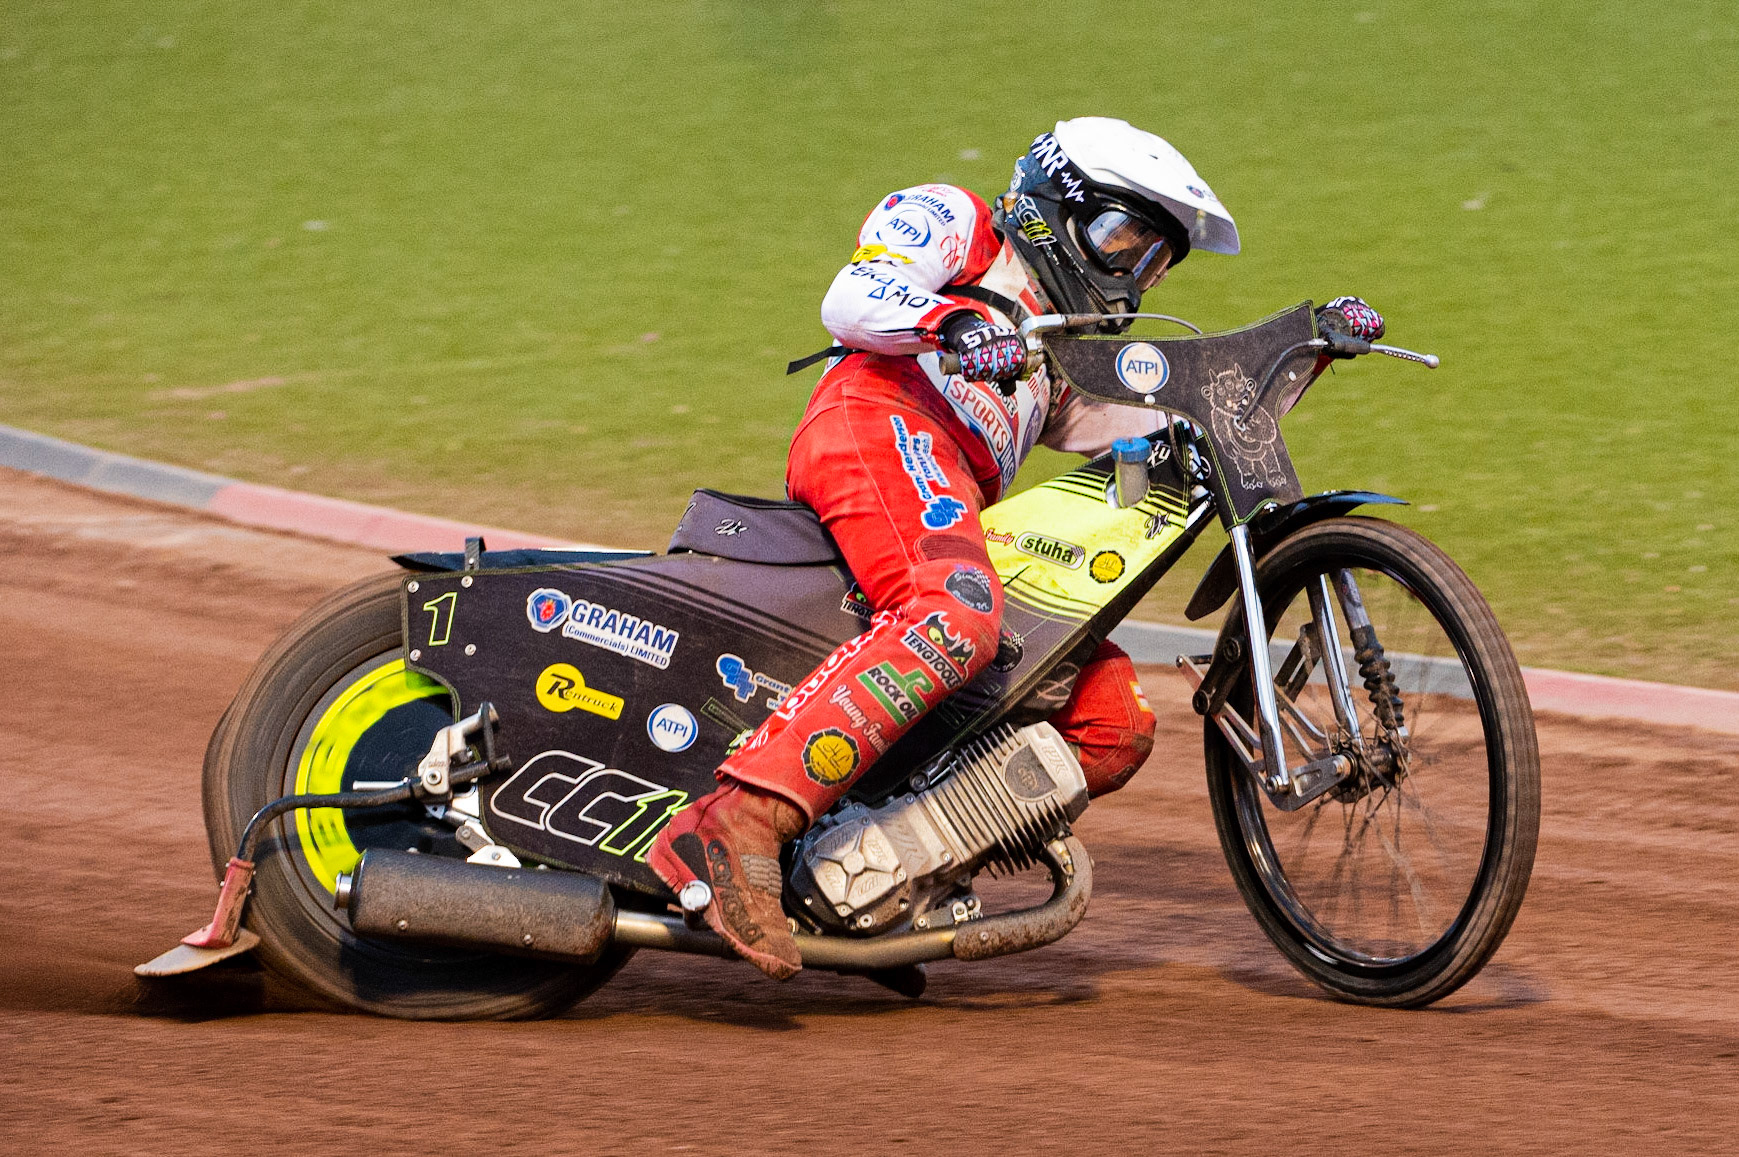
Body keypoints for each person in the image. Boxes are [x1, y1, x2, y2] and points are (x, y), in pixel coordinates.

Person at [648, 116, 1385, 979]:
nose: (1133, 273)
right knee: (954, 613)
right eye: (1123, 238)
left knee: (1111, 718)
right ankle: (736, 822)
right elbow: (850, 297)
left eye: (1153, 260)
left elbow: (1127, 421)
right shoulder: (957, 219)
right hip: (873, 422)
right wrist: (954, 323)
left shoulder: (1059, 342)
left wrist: (1291, 365)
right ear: (1056, 207)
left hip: (948, 492)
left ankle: (868, 875)